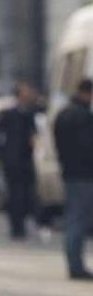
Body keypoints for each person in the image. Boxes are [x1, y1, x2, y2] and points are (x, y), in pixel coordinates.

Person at [54, 79, 93, 280]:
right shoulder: (83, 116)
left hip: (69, 173)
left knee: (73, 219)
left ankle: (73, 263)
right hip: (84, 175)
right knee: (79, 220)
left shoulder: (63, 114)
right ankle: (76, 266)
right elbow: (88, 148)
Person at [0, 81, 39, 240]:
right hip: (12, 162)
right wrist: (1, 155)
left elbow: (34, 135)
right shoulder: (8, 114)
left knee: (26, 195)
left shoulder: (29, 114)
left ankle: (23, 224)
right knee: (15, 195)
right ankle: (16, 226)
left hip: (26, 161)